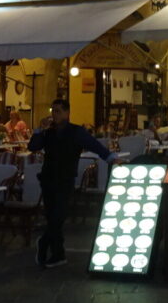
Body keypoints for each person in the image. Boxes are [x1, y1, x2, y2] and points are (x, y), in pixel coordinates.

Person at [28, 98, 115, 268]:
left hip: (65, 179)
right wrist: (39, 129)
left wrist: (110, 157)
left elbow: (94, 145)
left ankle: (44, 242)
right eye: (53, 111)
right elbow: (33, 146)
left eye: (58, 111)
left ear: (67, 113)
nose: (55, 114)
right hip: (48, 179)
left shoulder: (76, 132)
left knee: (59, 216)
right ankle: (58, 254)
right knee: (52, 216)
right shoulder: (48, 132)